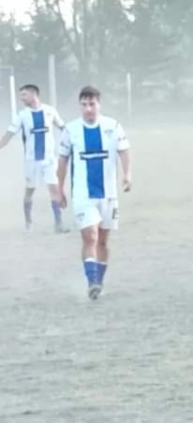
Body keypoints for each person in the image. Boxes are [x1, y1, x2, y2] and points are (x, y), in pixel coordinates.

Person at [57, 86, 132, 300]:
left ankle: (99, 281)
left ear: (99, 104)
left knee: (103, 242)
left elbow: (124, 150)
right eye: (84, 104)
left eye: (92, 104)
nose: (88, 108)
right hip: (83, 194)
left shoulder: (112, 126)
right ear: (80, 106)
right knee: (90, 236)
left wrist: (127, 175)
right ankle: (91, 283)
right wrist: (59, 189)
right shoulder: (71, 130)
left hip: (108, 194)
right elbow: (62, 160)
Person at [0, 84, 68, 232]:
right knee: (30, 190)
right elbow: (9, 134)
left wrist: (73, 141)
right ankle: (28, 222)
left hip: (49, 158)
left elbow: (63, 127)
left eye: (24, 95)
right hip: (31, 160)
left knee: (54, 188)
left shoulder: (50, 111)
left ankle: (58, 223)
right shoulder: (22, 115)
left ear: (33, 94)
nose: (21, 98)